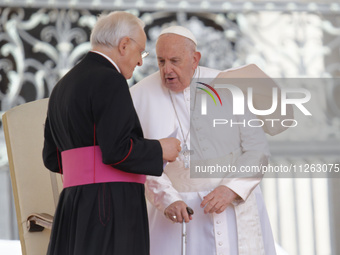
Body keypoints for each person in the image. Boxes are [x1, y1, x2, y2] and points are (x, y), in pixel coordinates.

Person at [130, 26, 277, 254]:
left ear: (195, 59)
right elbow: (141, 160)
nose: (167, 70)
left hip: (232, 207)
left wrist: (231, 188)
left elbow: (257, 150)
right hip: (179, 214)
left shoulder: (228, 85)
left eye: (175, 61)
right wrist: (168, 199)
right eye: (161, 61)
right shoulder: (140, 96)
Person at [42, 12, 180, 255]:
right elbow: (117, 150)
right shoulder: (110, 79)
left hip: (73, 205)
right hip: (109, 207)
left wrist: (87, 171)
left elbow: (52, 158)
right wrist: (160, 149)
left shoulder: (62, 85)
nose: (139, 62)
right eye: (141, 52)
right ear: (124, 45)